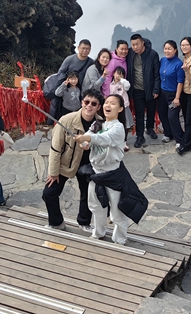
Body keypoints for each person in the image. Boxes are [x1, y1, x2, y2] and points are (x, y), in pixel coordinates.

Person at [42, 88, 105, 231]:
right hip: (66, 163)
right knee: (49, 194)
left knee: (87, 194)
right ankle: (57, 222)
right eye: (87, 102)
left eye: (94, 104)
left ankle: (84, 221)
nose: (89, 106)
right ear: (82, 102)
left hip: (88, 164)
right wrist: (53, 172)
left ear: (98, 107)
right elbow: (55, 148)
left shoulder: (101, 125)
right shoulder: (66, 120)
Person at [74, 94, 129, 244]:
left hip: (113, 173)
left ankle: (120, 239)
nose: (108, 105)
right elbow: (88, 141)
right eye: (106, 103)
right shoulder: (97, 124)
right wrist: (83, 143)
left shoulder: (118, 128)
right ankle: (98, 233)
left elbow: (104, 139)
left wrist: (87, 139)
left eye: (112, 103)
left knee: (117, 209)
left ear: (120, 109)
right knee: (95, 205)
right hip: (96, 172)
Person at [126, 34, 160, 147]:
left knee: (151, 110)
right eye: (133, 45)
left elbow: (156, 73)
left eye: (137, 44)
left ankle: (150, 128)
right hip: (136, 89)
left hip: (150, 88)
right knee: (139, 113)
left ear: (142, 43)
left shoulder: (152, 54)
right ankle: (139, 136)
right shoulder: (130, 53)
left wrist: (156, 89)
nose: (135, 47)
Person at [51, 40, 94, 119]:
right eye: (83, 48)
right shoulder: (70, 59)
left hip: (81, 92)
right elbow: (60, 73)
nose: (85, 51)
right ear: (78, 48)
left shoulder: (91, 62)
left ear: (90, 50)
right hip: (67, 90)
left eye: (87, 49)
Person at [159, 40, 185, 152]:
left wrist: (177, 98)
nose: (167, 51)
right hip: (162, 93)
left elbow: (180, 82)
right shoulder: (163, 60)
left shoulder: (178, 64)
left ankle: (179, 139)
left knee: (172, 117)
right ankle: (167, 133)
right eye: (165, 48)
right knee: (162, 114)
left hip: (173, 94)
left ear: (175, 50)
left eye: (169, 49)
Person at [110, 66, 133, 150]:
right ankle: (116, 141)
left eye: (121, 74)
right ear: (113, 73)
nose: (119, 76)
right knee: (114, 125)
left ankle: (124, 142)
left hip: (124, 106)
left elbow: (127, 86)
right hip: (113, 108)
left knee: (126, 125)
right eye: (117, 73)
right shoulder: (110, 84)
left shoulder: (123, 83)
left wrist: (122, 79)